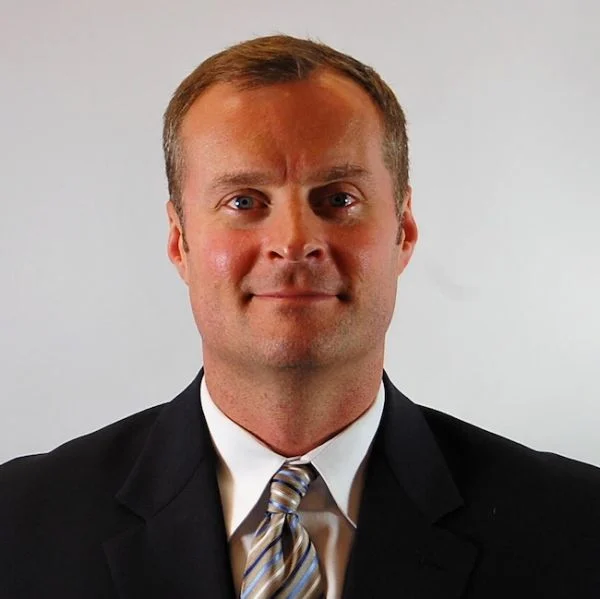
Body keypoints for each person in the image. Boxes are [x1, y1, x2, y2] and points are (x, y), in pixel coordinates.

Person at [1, 34, 599, 599]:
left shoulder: (577, 527)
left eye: (338, 198)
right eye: (243, 202)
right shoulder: (19, 525)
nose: (293, 240)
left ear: (404, 231)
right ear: (179, 242)